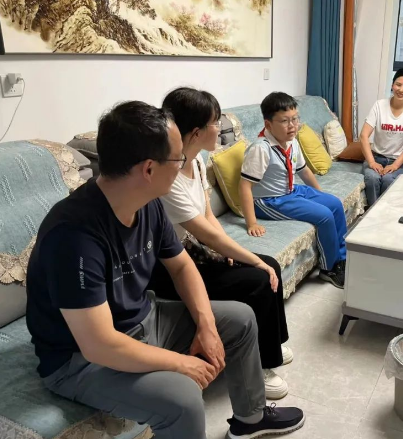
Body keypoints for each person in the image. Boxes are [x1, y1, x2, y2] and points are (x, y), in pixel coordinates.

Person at [25, 101, 304, 439]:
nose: (183, 164)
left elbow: (182, 266)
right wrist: (181, 363)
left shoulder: (148, 204)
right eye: (177, 158)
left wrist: (206, 325)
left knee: (241, 318)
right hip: (80, 360)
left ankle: (251, 418)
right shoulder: (73, 235)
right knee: (182, 399)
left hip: (145, 320)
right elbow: (99, 345)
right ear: (148, 169)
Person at [150, 87, 291, 400]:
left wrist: (229, 252)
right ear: (197, 132)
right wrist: (248, 258)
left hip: (198, 253)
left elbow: (208, 216)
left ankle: (273, 343)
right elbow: (205, 233)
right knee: (258, 277)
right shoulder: (168, 177)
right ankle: (263, 365)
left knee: (271, 264)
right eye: (216, 122)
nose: (221, 128)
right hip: (173, 267)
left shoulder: (198, 162)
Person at [238, 92, 347, 289]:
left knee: (334, 204)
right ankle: (329, 269)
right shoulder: (261, 149)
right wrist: (251, 222)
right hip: (269, 200)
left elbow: (303, 171)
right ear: (268, 124)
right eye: (285, 121)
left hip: (291, 190)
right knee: (324, 216)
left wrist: (320, 195)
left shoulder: (292, 141)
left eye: (295, 119)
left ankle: (341, 258)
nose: (292, 125)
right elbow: (245, 186)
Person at [360, 68, 403, 207]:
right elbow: (364, 136)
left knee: (389, 179)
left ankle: (384, 211)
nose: (401, 89)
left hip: (400, 161)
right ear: (392, 85)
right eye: (398, 85)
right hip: (377, 157)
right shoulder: (379, 105)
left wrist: (395, 165)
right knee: (372, 178)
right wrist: (371, 162)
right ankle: (373, 212)